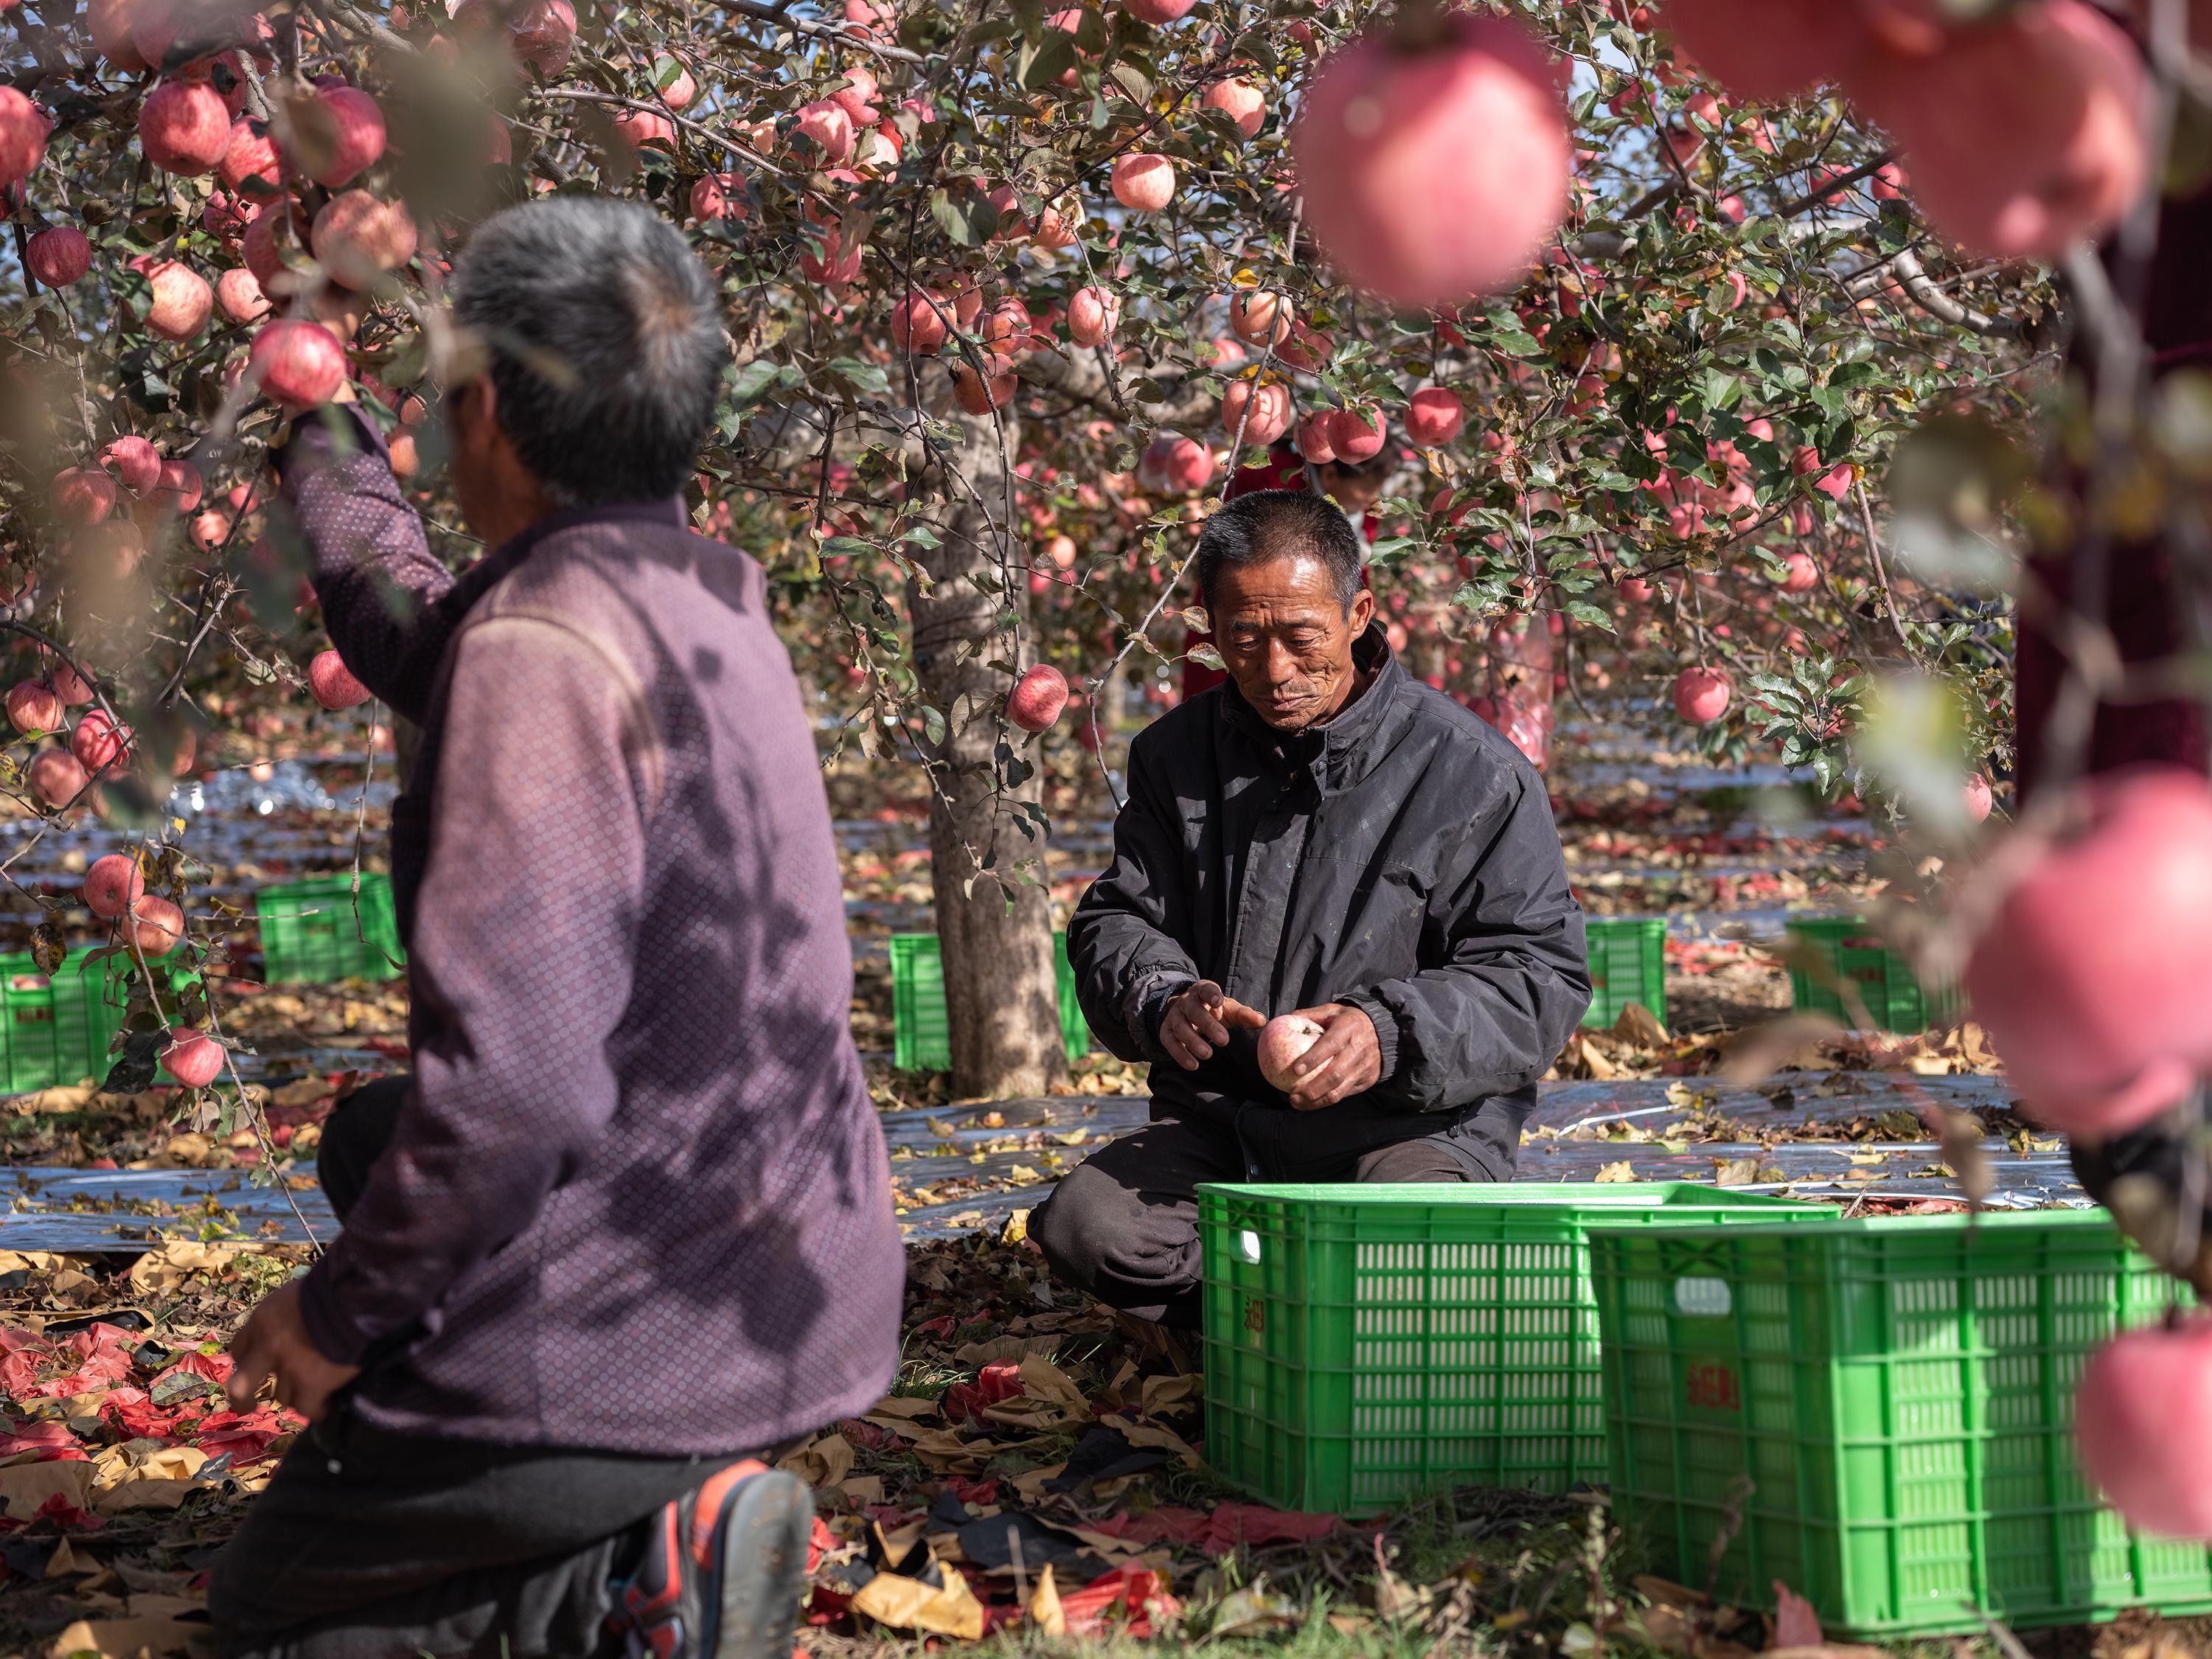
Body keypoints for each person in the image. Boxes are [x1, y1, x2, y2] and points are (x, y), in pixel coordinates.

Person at [208, 198, 904, 1659]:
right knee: (366, 1135)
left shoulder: (538, 646)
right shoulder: (695, 589)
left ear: (483, 413)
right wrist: (323, 431)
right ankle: (629, 1508)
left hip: (647, 1316)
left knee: (278, 1614)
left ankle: (642, 1574)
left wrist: (338, 1317)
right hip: (788, 1265)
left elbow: (517, 1091)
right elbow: (415, 623)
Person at [1032, 490, 1592, 1327]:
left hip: (1411, 1129)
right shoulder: (1173, 757)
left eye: (1301, 638)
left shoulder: (1473, 772)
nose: (1275, 671)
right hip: (1227, 1128)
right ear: (1209, 631)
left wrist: (1389, 1033)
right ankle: (1278, 1328)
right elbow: (1119, 919)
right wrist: (1158, 997)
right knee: (1090, 1226)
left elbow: (1538, 976)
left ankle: (1295, 1318)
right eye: (1245, 641)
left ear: (1358, 612)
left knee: (1408, 1239)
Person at [1181, 437, 1394, 699]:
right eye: (1366, 489)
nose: (1371, 498)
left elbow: (1353, 575)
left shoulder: (1364, 513)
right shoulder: (1270, 481)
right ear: (1329, 475)